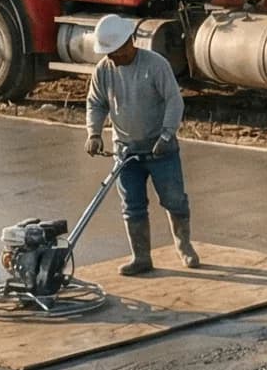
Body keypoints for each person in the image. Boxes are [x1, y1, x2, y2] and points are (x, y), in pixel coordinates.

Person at [84, 14, 196, 276]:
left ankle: (184, 246)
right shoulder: (104, 69)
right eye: (107, 52)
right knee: (132, 205)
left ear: (129, 42)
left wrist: (167, 134)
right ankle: (141, 257)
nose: (111, 57)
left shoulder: (155, 65)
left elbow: (173, 101)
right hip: (126, 151)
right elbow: (96, 102)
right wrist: (94, 133)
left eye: (115, 51)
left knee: (174, 199)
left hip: (161, 148)